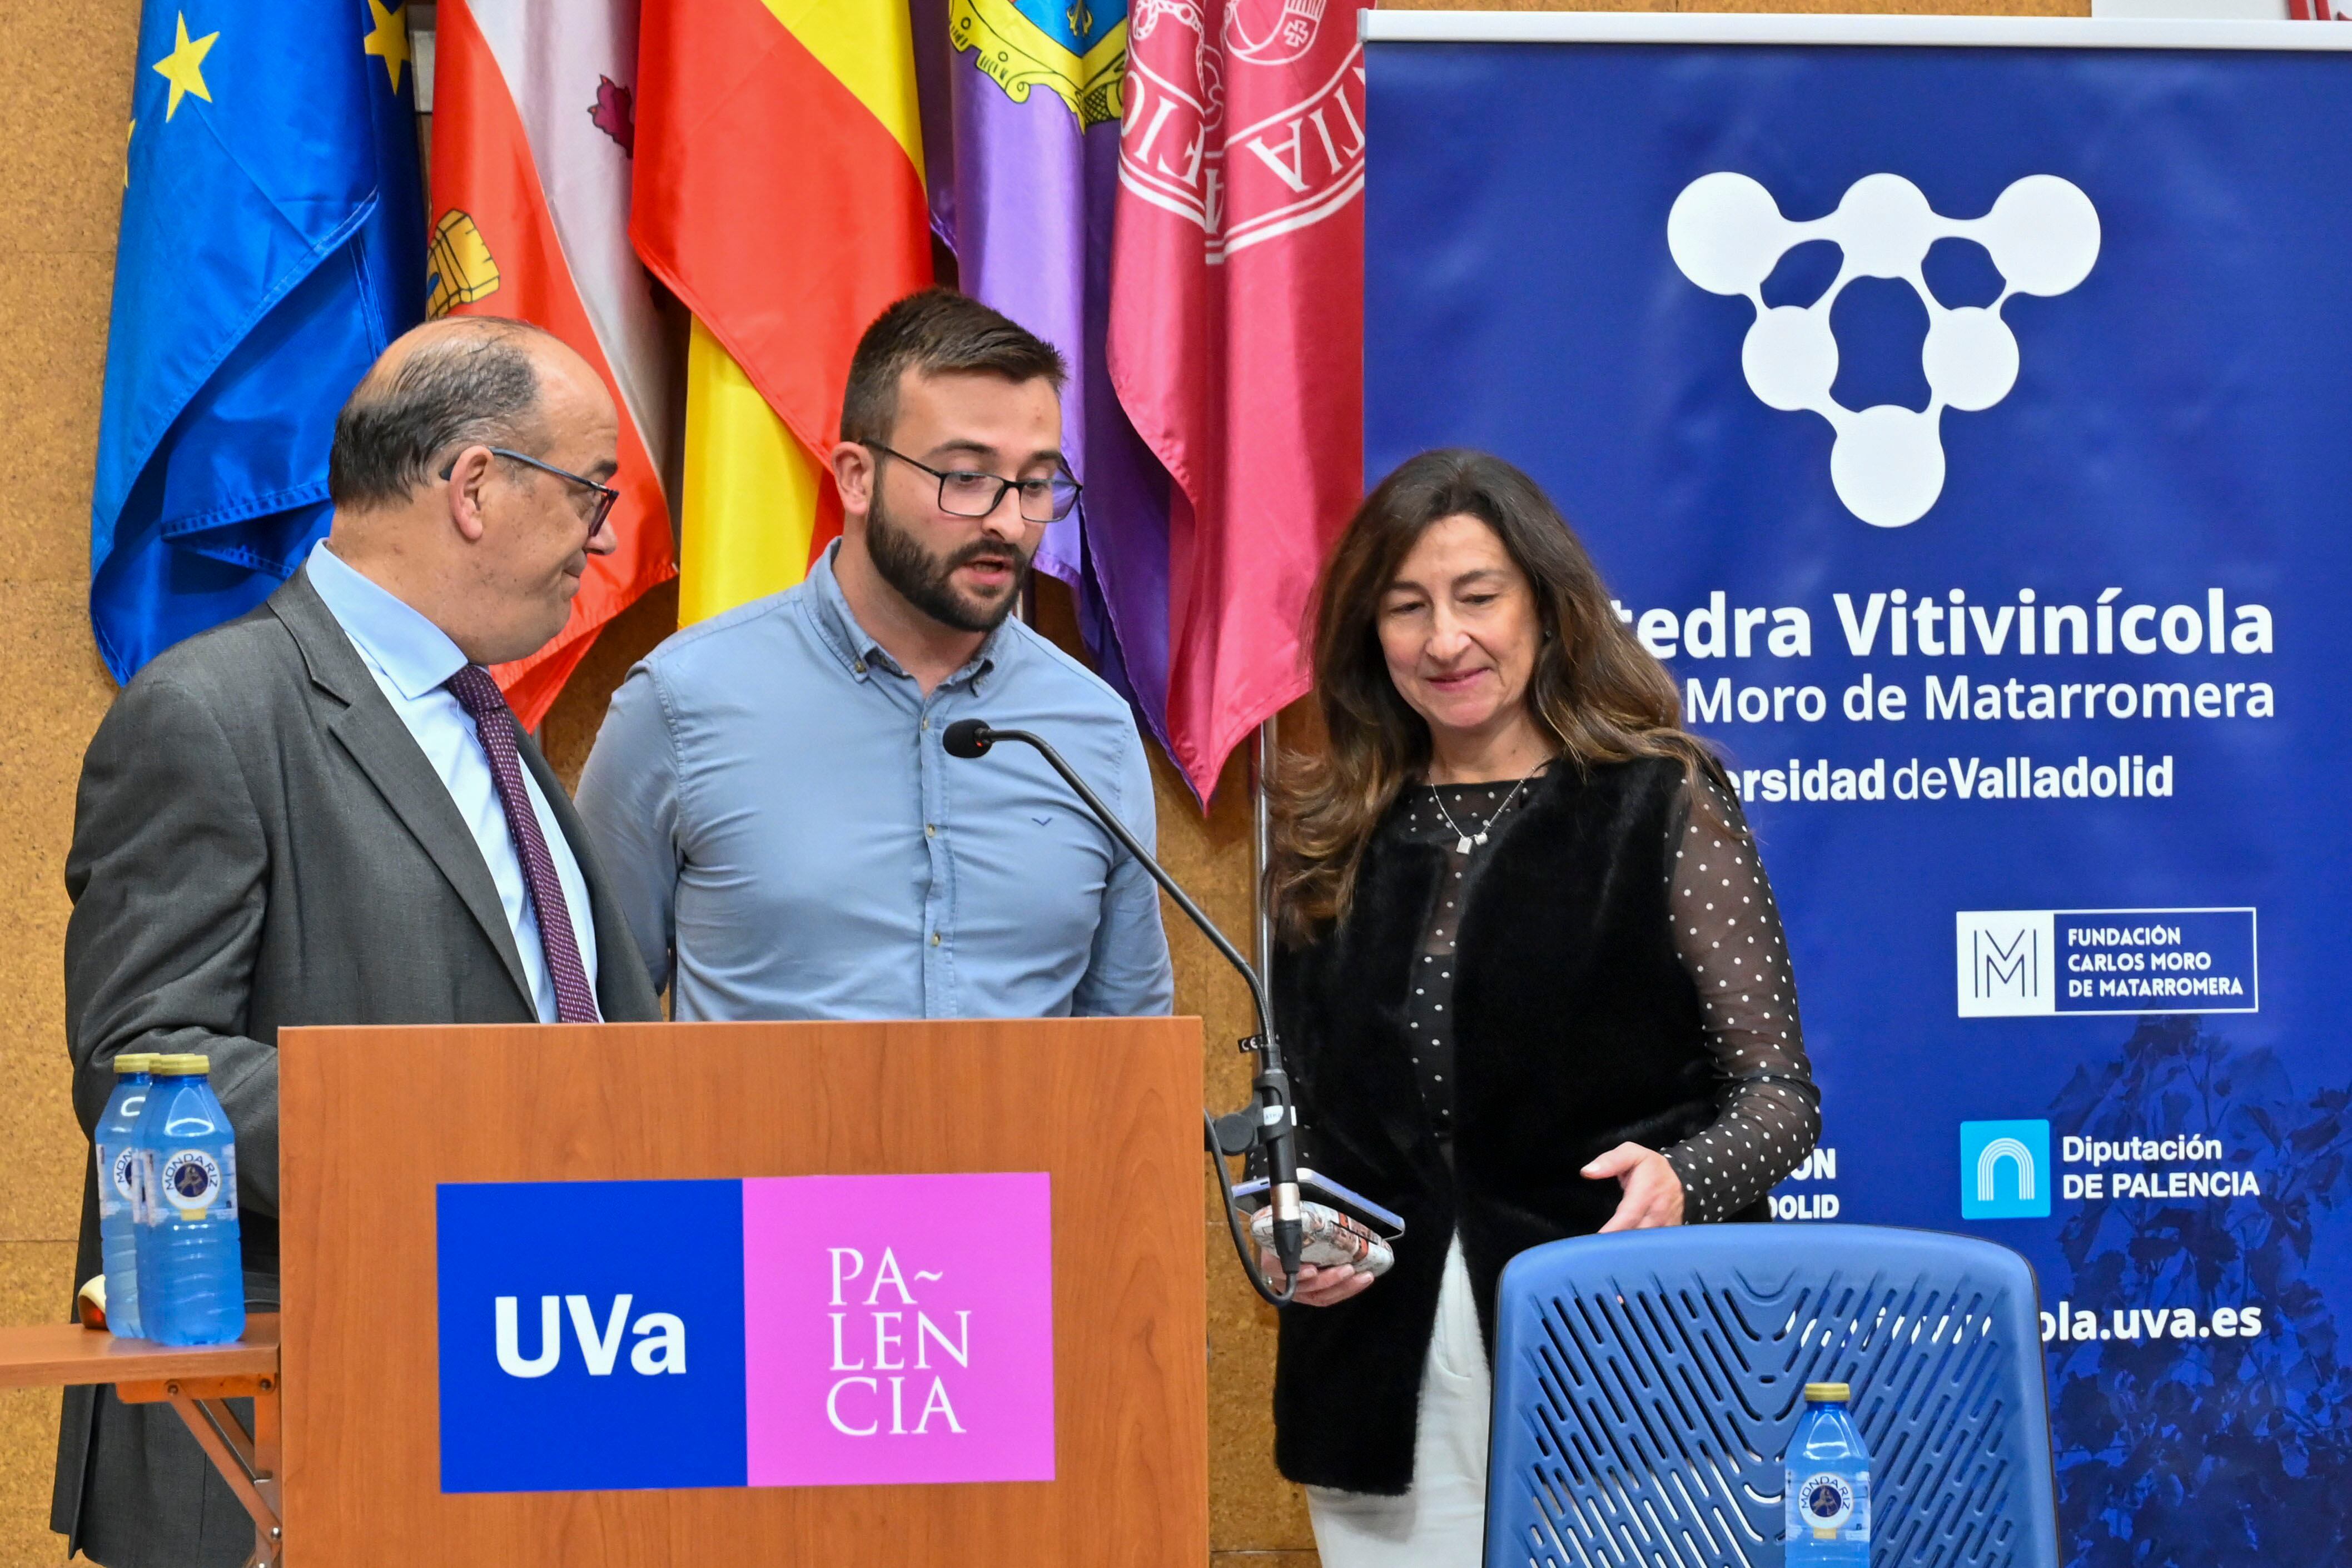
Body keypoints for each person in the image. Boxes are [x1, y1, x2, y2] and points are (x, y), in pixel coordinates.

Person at [53, 317, 664, 1567]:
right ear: (477, 487)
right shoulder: (213, 712)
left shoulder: (496, 724)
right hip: (288, 1425)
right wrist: (450, 1123)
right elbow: (139, 1060)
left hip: (529, 1386)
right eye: (590, 492)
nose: (605, 539)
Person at [1261, 449, 1821, 1565]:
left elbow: (1779, 1096)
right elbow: (1297, 1111)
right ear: (1368, 633)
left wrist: (1682, 1178)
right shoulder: (1325, 834)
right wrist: (1288, 1233)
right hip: (1376, 1379)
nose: (1444, 639)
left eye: (1478, 597)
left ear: (1548, 609)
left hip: (1633, 1362)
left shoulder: (1659, 799)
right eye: (1406, 606)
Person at [577, 290, 1173, 1022]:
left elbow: (1130, 1055)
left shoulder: (1094, 732)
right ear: (856, 477)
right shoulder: (681, 702)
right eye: (967, 478)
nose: (1011, 521)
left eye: (1037, 483)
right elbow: (588, 1030)